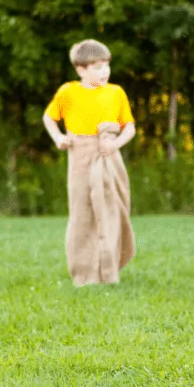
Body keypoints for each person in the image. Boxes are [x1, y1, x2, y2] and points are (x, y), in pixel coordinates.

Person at [44, 39, 136, 286]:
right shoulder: (68, 92)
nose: (104, 71)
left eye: (107, 65)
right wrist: (58, 138)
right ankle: (85, 274)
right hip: (80, 155)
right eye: (97, 67)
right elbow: (49, 117)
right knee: (83, 212)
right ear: (81, 70)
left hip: (109, 155)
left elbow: (129, 127)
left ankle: (110, 270)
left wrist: (115, 144)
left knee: (113, 208)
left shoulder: (116, 92)